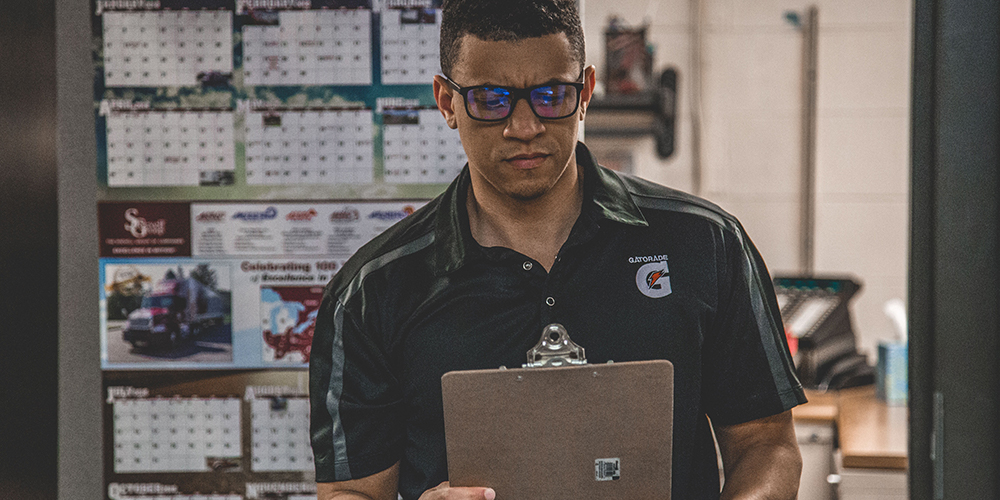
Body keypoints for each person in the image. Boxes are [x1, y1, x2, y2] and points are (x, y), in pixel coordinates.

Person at [310, 0, 806, 498]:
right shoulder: (372, 291)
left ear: (586, 92)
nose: (524, 127)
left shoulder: (705, 243)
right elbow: (349, 491)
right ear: (447, 102)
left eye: (551, 96)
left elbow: (767, 446)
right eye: (490, 99)